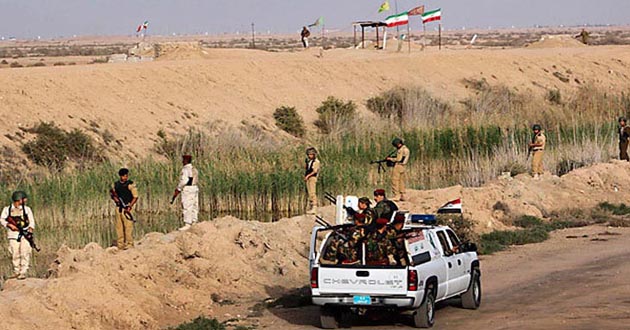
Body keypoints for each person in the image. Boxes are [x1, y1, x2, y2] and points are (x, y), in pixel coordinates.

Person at [0, 191, 35, 280]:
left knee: (24, 252)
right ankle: (16, 271)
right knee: (15, 252)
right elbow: (2, 220)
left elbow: (31, 221)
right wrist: (9, 225)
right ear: (19, 200)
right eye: (23, 199)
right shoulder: (7, 209)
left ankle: (23, 272)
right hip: (13, 234)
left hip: (25, 233)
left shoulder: (27, 209)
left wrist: (30, 231)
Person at [110, 168, 138, 250]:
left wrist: (130, 206)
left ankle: (129, 244)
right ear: (120, 176)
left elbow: (135, 197)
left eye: (126, 176)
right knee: (119, 227)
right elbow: (112, 194)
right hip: (119, 208)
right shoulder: (116, 185)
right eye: (123, 176)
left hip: (127, 207)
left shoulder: (130, 184)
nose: (125, 178)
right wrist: (115, 199)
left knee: (128, 227)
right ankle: (120, 245)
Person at [171, 155, 199, 231]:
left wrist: (178, 188)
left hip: (188, 188)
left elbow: (184, 180)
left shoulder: (185, 169)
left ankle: (187, 224)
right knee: (194, 205)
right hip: (195, 187)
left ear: (186, 160)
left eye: (183, 160)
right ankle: (194, 221)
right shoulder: (194, 169)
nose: (182, 161)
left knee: (187, 205)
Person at [304, 147, 320, 214]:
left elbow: (314, 171)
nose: (309, 156)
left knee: (313, 192)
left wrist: (308, 176)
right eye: (308, 154)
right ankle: (311, 207)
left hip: (312, 177)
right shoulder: (309, 161)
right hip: (308, 178)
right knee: (310, 193)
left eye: (311, 154)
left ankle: (314, 207)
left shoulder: (316, 161)